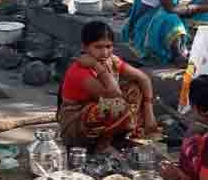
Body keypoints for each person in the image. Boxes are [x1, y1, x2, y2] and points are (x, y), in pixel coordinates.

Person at [60, 21, 159, 152]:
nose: (105, 52)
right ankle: (101, 144)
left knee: (134, 88)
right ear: (85, 47)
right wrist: (97, 67)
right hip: (76, 127)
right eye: (98, 47)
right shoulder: (80, 71)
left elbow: (143, 78)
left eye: (108, 46)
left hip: (102, 114)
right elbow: (114, 96)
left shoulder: (111, 60)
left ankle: (119, 135)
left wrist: (149, 113)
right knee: (118, 106)